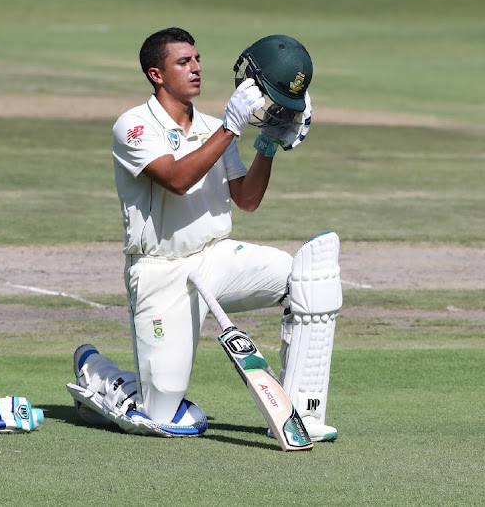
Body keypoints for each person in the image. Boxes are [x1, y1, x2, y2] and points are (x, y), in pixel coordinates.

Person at [66, 27, 342, 442]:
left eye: (197, 60)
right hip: (161, 272)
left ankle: (302, 411)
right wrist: (231, 128)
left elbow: (246, 200)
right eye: (183, 62)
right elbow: (176, 180)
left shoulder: (214, 127)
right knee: (163, 416)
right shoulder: (134, 126)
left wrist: (265, 144)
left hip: (216, 257)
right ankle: (97, 375)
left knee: (306, 278)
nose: (196, 68)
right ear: (156, 74)